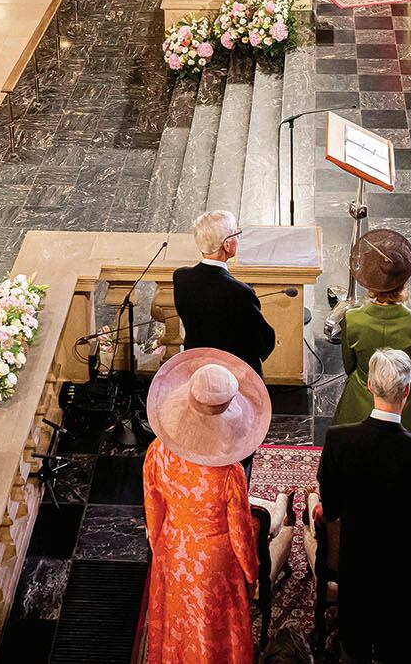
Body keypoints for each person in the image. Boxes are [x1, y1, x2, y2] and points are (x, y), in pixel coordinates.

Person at [312, 347, 411, 664]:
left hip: (356, 566)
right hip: (407, 574)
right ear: (408, 391)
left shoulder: (338, 440)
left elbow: (329, 509)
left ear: (369, 385)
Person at [141, 348, 268, 664]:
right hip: (214, 562)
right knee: (213, 631)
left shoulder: (157, 451)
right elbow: (240, 532)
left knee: (178, 622)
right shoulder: (228, 472)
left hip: (173, 548)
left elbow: (153, 510)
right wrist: (251, 572)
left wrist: (162, 549)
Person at [332, 229, 411, 479]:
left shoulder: (353, 318)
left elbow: (349, 366)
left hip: (362, 395)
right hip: (405, 400)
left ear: (370, 284)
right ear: (404, 283)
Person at [171, 210, 275, 378]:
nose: (238, 238)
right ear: (227, 245)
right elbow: (264, 342)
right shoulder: (241, 292)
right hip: (235, 375)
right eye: (236, 233)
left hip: (197, 370)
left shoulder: (181, 277)